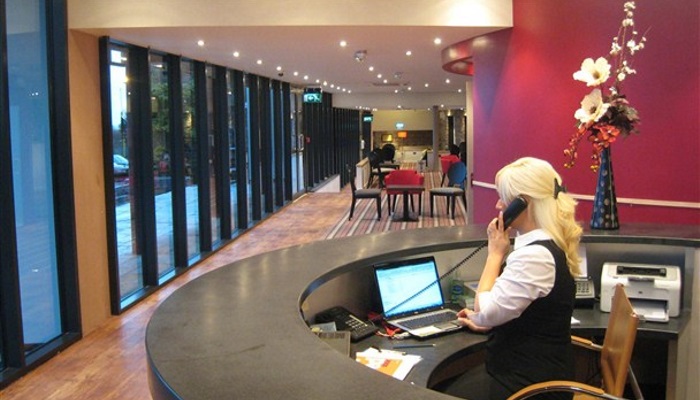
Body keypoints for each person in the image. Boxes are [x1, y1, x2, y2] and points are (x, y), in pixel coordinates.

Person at [456, 157, 582, 400]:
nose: (498, 204)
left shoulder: (535, 256)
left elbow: (484, 308)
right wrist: (486, 320)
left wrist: (495, 253)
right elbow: (504, 309)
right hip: (535, 372)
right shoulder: (547, 244)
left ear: (523, 204)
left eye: (504, 197)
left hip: (529, 387)